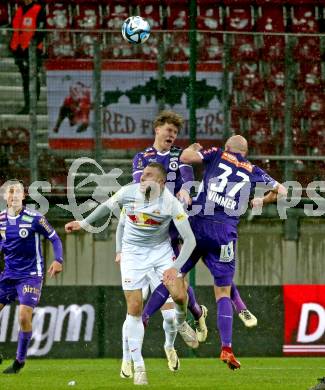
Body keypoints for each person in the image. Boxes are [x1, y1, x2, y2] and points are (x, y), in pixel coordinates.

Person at [65, 163, 197, 385]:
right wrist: (84, 223)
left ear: (161, 183)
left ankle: (182, 323)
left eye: (149, 177)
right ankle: (138, 366)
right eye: (142, 175)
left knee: (181, 296)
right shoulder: (129, 192)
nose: (142, 179)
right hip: (133, 254)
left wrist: (175, 267)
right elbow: (106, 207)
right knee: (134, 308)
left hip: (160, 253)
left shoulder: (171, 203)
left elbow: (190, 240)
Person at [180, 135, 287, 370]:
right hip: (225, 234)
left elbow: (185, 158)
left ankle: (182, 319)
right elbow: (283, 191)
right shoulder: (252, 168)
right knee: (222, 291)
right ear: (245, 152)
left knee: (173, 273)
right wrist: (262, 200)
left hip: (199, 225)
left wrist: (194, 149)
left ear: (228, 148)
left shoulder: (218, 153)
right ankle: (226, 346)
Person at [118, 110, 206, 377]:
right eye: (168, 131)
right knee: (136, 307)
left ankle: (187, 323)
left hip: (170, 235)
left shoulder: (180, 157)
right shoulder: (143, 158)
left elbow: (190, 179)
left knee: (178, 290)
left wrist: (185, 190)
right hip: (144, 236)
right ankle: (128, 359)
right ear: (157, 129)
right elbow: (139, 186)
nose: (171, 136)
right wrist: (120, 248)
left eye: (175, 133)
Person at [0, 179, 63, 374]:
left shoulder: (35, 218)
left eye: (17, 192)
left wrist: (58, 259)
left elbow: (54, 238)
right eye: (10, 192)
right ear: (4, 197)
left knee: (23, 316)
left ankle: (19, 361)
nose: (13, 195)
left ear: (23, 195)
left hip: (30, 275)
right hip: (8, 275)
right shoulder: (0, 219)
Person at [10, 0, 46, 115]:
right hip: (19, 50)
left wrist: (33, 47)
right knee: (25, 79)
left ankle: (33, 105)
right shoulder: (19, 10)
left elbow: (40, 32)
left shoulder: (38, 9)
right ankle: (27, 105)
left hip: (32, 50)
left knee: (32, 78)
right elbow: (14, 29)